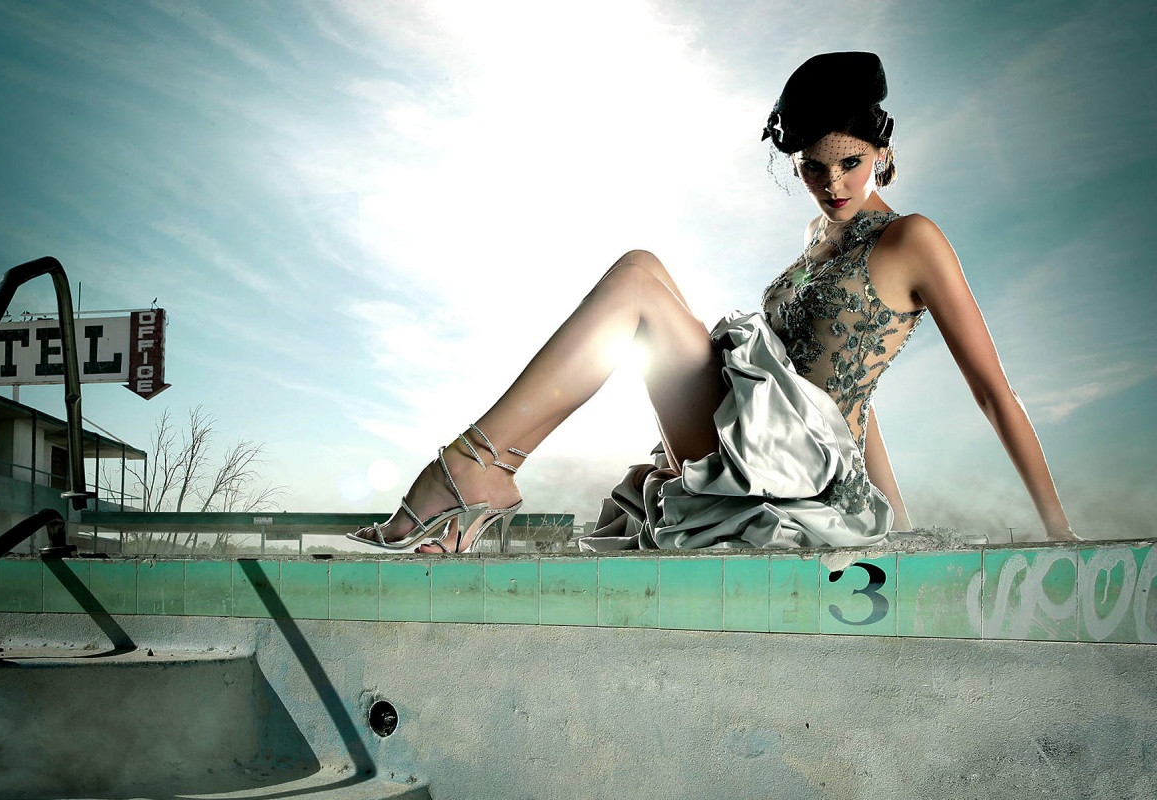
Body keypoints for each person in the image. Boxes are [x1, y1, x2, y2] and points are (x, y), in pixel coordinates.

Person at [349, 51, 1078, 553]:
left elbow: (991, 391)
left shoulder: (913, 239)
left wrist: (1058, 534)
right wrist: (895, 521)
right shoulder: (817, 238)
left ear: (882, 150)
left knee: (637, 278)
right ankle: (480, 470)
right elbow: (849, 385)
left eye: (850, 163)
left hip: (794, 464)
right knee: (645, 272)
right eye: (813, 169)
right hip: (760, 432)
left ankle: (471, 469)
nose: (833, 184)